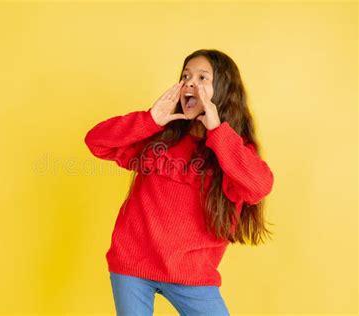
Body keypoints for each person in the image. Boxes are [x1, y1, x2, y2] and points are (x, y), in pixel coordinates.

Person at [84, 49, 275, 316]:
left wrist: (218, 132)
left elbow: (259, 186)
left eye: (202, 78)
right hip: (132, 266)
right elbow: (96, 141)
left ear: (221, 90)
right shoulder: (160, 137)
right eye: (186, 76)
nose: (191, 83)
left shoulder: (231, 149)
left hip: (192, 276)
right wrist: (150, 120)